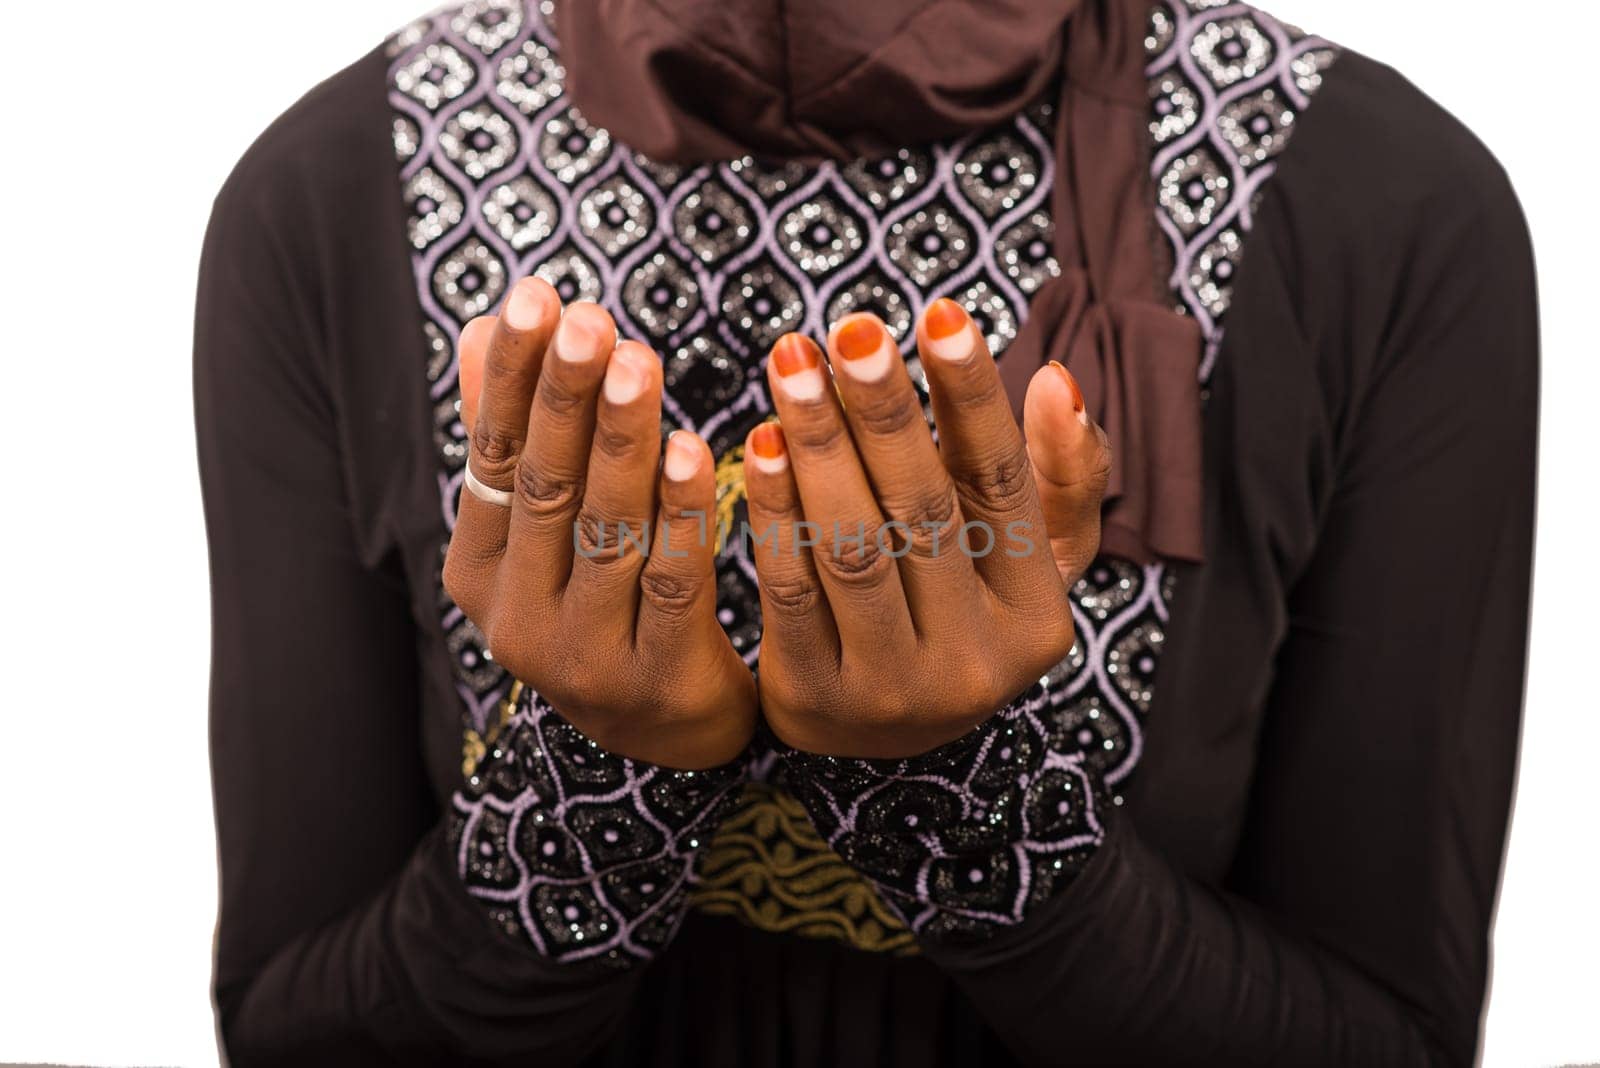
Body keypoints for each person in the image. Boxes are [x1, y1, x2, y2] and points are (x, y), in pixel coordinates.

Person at [194, 0, 1538, 1064]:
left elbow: (1390, 1033)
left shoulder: (1372, 201)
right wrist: (601, 785)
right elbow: (290, 1027)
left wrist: (960, 794)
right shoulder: (347, 182)